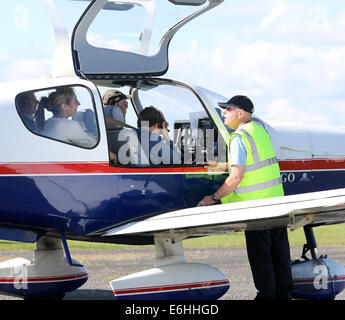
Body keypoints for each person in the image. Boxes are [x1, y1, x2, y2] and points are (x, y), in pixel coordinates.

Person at [197, 95, 293, 300]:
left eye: (227, 109)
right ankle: (283, 296)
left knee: (262, 260)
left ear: (240, 113)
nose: (223, 112)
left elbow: (236, 177)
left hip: (256, 210)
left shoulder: (239, 137)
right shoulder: (259, 131)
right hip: (276, 205)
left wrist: (212, 197)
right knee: (280, 256)